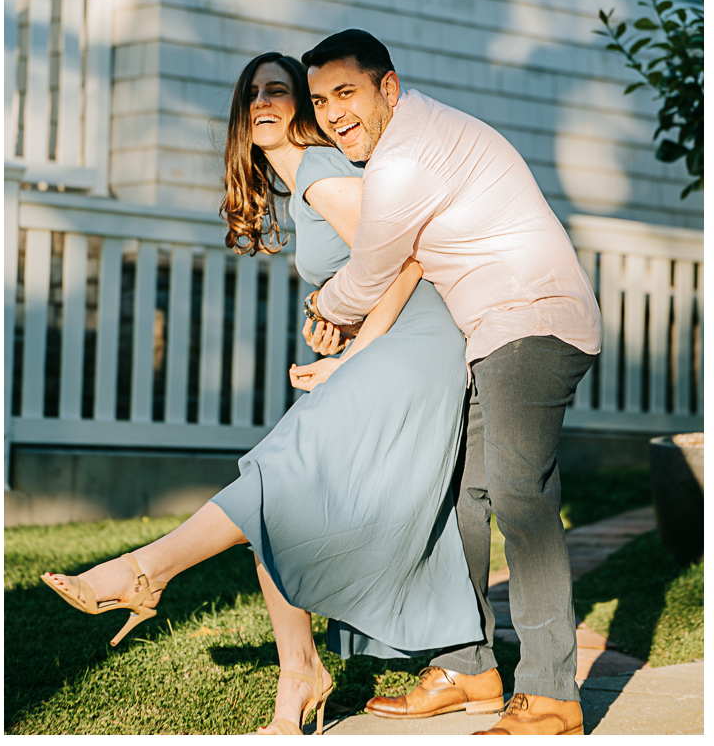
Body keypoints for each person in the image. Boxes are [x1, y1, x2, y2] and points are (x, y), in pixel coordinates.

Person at [41, 52, 494, 736]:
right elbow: (369, 273)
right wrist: (342, 328)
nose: (263, 102)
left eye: (278, 90)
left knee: (278, 477)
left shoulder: (316, 169)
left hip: (419, 348)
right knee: (279, 493)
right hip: (392, 345)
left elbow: (406, 258)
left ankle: (146, 570)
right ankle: (297, 685)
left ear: (303, 108)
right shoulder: (305, 181)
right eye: (252, 93)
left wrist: (358, 357)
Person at [301, 30, 602, 737]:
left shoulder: (404, 157)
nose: (334, 114)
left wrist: (327, 310)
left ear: (389, 88)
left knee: (520, 493)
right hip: (493, 330)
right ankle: (468, 664)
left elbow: (373, 270)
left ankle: (552, 692)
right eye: (320, 101)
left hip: (531, 318)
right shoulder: (410, 140)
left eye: (347, 93)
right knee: (460, 491)